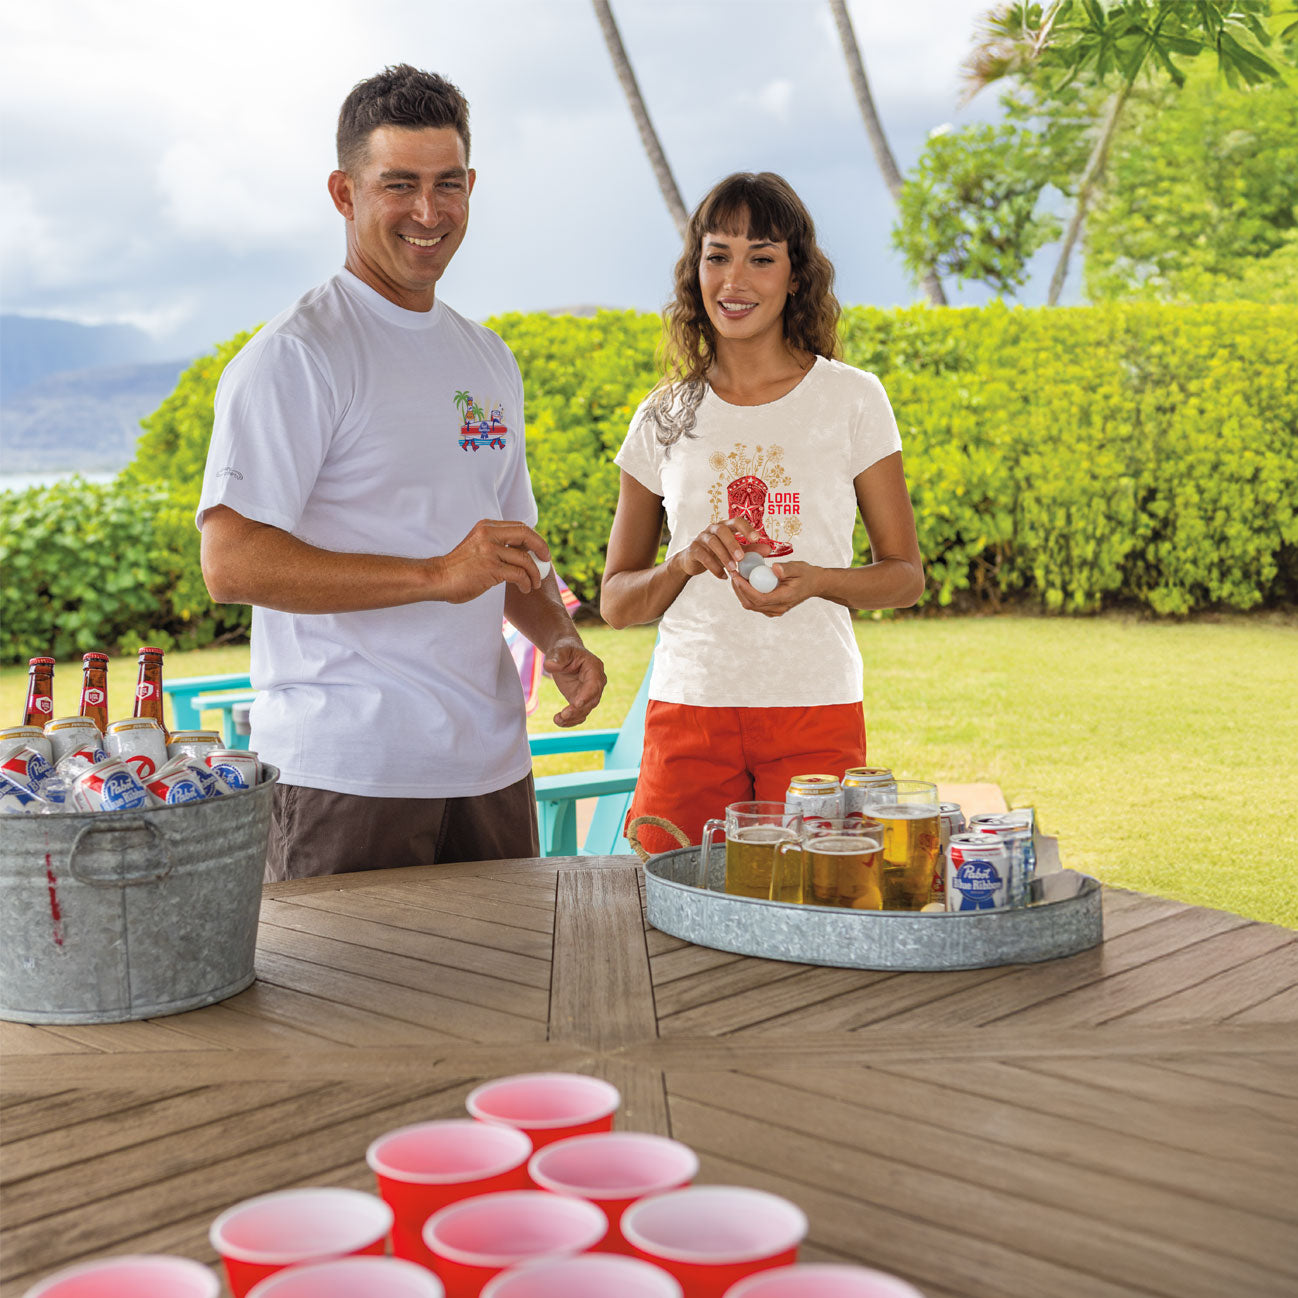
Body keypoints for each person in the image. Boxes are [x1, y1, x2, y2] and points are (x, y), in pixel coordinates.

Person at [197, 65, 605, 880]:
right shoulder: (296, 355)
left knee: (510, 1005)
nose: (429, 212)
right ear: (344, 194)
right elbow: (230, 562)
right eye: (400, 185)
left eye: (448, 184)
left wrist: (558, 636)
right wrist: (433, 574)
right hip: (348, 773)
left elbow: (506, 550)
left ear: (471, 185)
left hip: (492, 768)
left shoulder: (486, 356)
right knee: (347, 1011)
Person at [601, 172, 924, 855]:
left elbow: (904, 576)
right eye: (717, 256)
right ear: (696, 272)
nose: (735, 280)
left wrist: (819, 580)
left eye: (761, 257)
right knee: (671, 913)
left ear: (796, 277)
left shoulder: (853, 400)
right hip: (689, 710)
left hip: (815, 706)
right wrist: (686, 560)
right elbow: (618, 604)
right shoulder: (664, 414)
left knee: (814, 913)